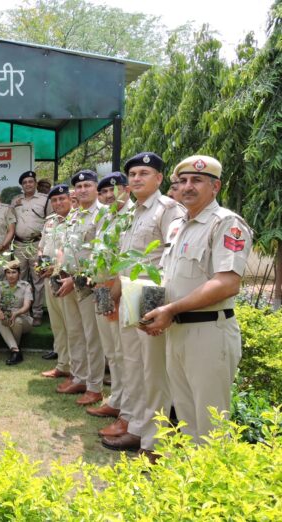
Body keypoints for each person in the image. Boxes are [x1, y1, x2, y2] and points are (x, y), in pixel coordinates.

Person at [143, 155, 252, 445]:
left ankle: (217, 485)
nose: (188, 187)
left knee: (212, 424)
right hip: (177, 330)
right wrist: (156, 311)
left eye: (198, 180)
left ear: (215, 187)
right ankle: (192, 485)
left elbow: (227, 283)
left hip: (208, 333)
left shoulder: (227, 223)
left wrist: (171, 309)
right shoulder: (178, 226)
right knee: (187, 419)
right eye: (183, 181)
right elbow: (172, 279)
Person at [101, 153, 184, 456]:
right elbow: (119, 263)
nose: (136, 179)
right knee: (130, 365)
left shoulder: (168, 210)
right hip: (124, 297)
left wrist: (152, 309)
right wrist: (111, 298)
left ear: (159, 178)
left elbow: (170, 262)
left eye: (144, 173)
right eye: (132, 174)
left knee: (153, 373)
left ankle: (154, 442)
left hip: (149, 300)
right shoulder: (130, 213)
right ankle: (135, 426)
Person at [55, 170, 105, 407]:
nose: (83, 189)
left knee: (91, 335)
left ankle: (94, 387)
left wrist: (74, 280)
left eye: (88, 185)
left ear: (96, 188)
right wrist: (61, 271)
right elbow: (66, 248)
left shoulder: (103, 215)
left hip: (89, 285)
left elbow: (100, 256)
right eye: (79, 186)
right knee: (74, 332)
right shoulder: (74, 217)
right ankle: (79, 377)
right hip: (68, 283)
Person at [87, 173, 133, 423]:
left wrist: (113, 293)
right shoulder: (106, 217)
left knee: (125, 350)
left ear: (126, 190)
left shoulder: (132, 216)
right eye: (103, 192)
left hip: (121, 291)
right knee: (112, 350)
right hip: (102, 289)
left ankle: (127, 406)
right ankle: (116, 399)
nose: (107, 196)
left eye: (112, 191)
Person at [38, 184, 71, 372]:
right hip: (49, 278)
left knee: (71, 325)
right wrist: (39, 260)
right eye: (54, 200)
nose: (58, 203)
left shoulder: (76, 221)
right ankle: (62, 364)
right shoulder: (50, 221)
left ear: (70, 199)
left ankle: (75, 367)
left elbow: (75, 252)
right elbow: (42, 246)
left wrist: (56, 268)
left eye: (61, 199)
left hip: (66, 279)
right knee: (57, 323)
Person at [11, 170, 50, 326]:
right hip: (19, 244)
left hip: (37, 245)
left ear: (35, 183)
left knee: (38, 279)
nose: (28, 184)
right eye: (25, 182)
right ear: (22, 185)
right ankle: (22, 311)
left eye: (30, 181)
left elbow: (50, 221)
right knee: (19, 279)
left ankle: (38, 312)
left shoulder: (44, 200)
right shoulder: (15, 200)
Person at [0, 259, 33, 365]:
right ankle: (15, 351)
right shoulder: (0, 286)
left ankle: (14, 347)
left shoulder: (26, 286)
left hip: (23, 319)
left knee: (17, 321)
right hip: (6, 318)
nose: (11, 275)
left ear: (19, 274)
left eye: (14, 272)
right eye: (8, 272)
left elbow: (26, 306)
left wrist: (16, 313)